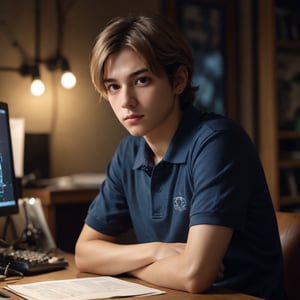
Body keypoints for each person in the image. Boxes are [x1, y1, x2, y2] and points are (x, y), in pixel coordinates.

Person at [75, 14, 286, 300]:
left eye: (142, 80)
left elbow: (194, 275)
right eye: (113, 86)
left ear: (178, 80)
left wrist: (121, 267)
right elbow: (85, 253)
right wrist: (157, 251)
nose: (125, 101)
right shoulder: (129, 152)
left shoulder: (217, 143)